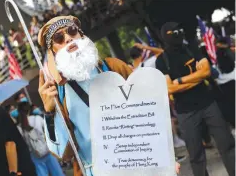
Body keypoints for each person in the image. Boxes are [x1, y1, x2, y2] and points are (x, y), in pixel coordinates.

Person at [37, 15, 180, 176]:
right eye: (59, 38)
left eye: (72, 31)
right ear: (53, 51)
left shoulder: (113, 66)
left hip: (139, 162)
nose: (69, 38)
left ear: (81, 35)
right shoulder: (58, 93)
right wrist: (49, 112)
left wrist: (165, 158)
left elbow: (148, 115)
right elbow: (63, 152)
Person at [155, 22, 235, 176]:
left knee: (226, 143)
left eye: (180, 30)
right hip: (185, 112)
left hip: (208, 104)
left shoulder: (193, 49)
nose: (178, 34)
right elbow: (169, 88)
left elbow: (205, 72)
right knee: (196, 155)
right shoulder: (161, 60)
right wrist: (194, 79)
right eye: (173, 32)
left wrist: (179, 80)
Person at [17, 102, 64, 176]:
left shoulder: (19, 127)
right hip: (47, 150)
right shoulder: (38, 119)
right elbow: (49, 131)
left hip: (34, 154)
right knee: (57, 173)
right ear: (29, 110)